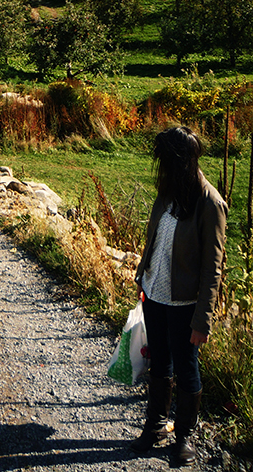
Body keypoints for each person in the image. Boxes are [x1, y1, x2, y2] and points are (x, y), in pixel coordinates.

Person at [131, 126, 227, 466]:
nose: (161, 170)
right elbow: (154, 239)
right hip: (155, 295)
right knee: (159, 361)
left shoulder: (210, 204)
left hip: (185, 305)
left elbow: (212, 269)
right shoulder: (167, 192)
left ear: (182, 162)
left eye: (166, 163)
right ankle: (156, 425)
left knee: (186, 368)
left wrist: (203, 319)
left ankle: (184, 436)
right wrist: (143, 275)